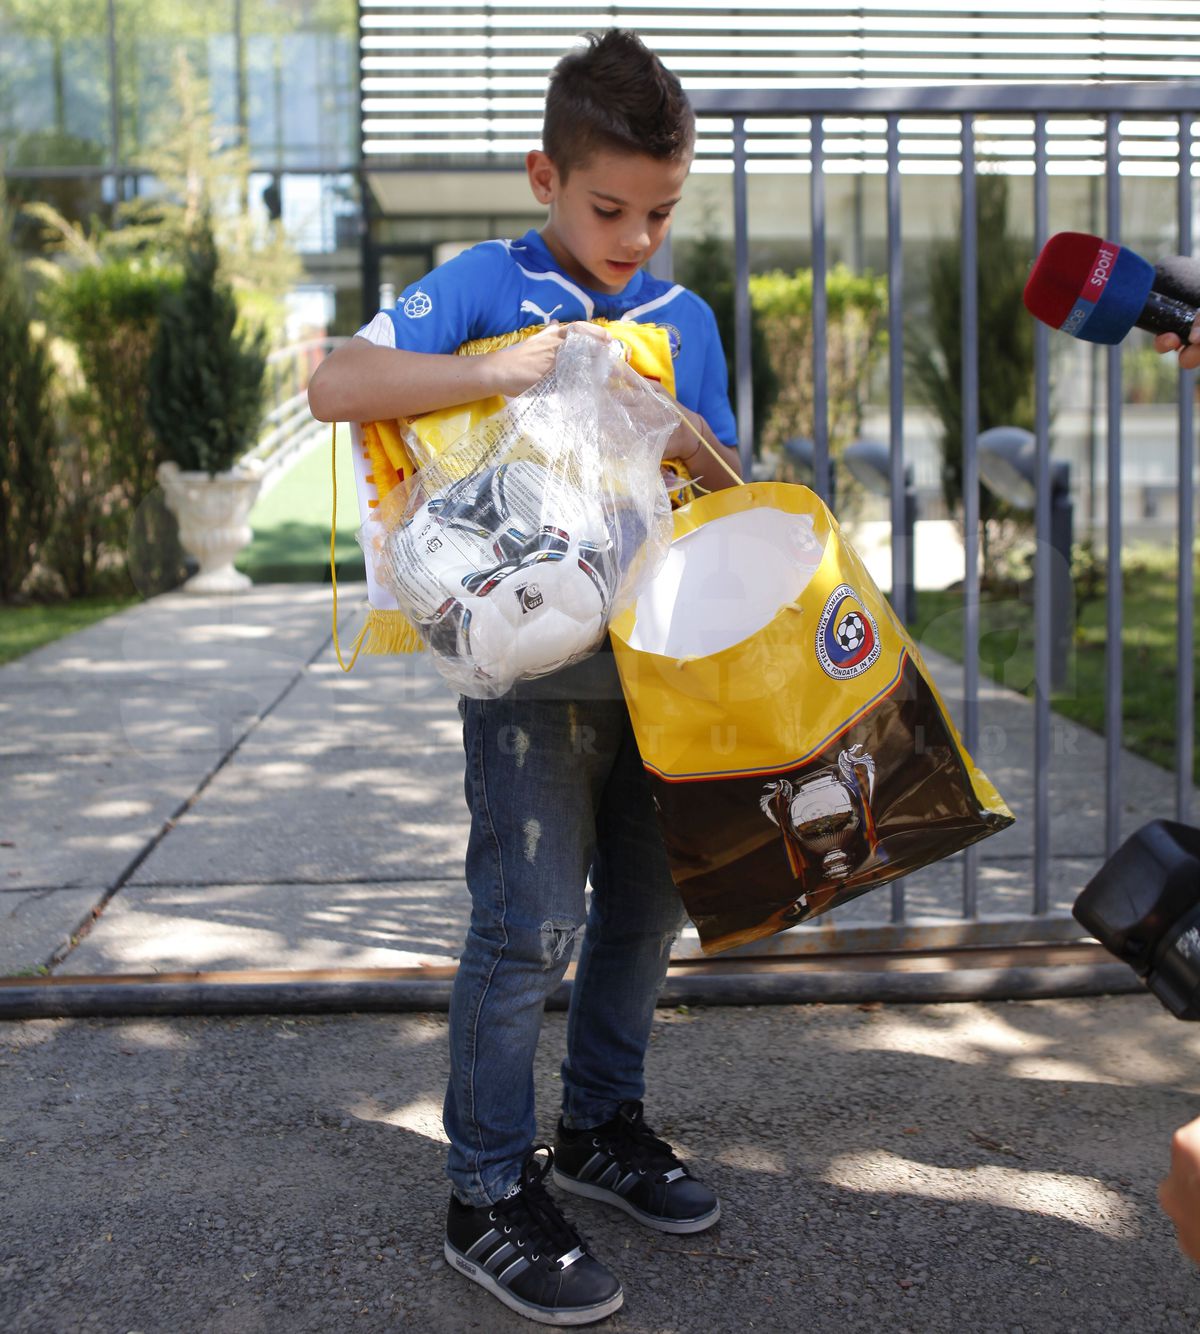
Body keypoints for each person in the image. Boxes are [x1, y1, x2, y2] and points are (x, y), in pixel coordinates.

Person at [308, 29, 740, 1326]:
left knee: (641, 912)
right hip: (527, 678)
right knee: (524, 923)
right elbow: (340, 379)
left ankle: (603, 1123)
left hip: (662, 670)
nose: (637, 237)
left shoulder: (687, 319)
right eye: (610, 208)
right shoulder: (493, 285)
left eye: (661, 211)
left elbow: (733, 489)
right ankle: (488, 1185)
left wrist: (684, 435)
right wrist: (502, 366)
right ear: (545, 176)